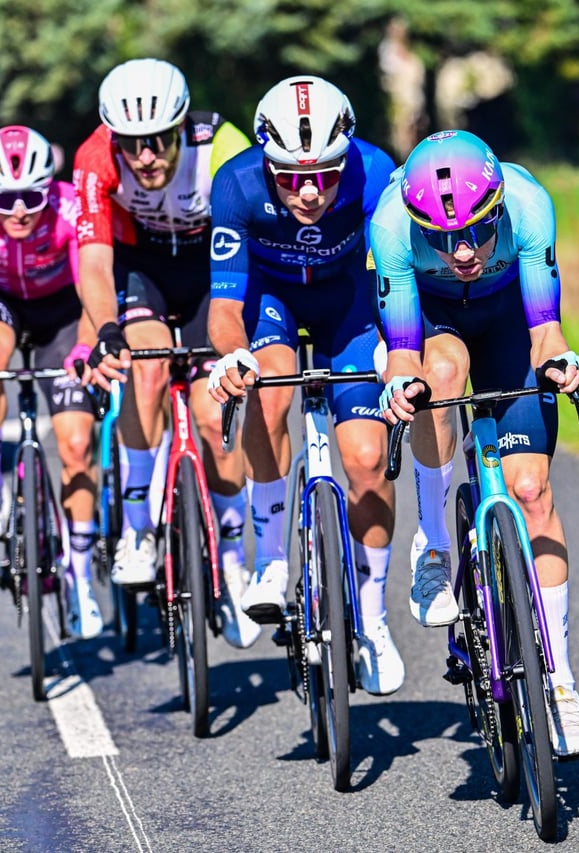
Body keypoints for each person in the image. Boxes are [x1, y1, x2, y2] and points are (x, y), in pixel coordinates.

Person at [370, 129, 579, 754]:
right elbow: (402, 351)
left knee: (532, 491)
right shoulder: (390, 225)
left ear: (497, 208)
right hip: (434, 325)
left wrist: (562, 365)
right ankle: (436, 549)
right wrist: (399, 386)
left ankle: (561, 688)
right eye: (441, 239)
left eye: (476, 231)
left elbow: (545, 331)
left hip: (506, 324)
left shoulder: (528, 205)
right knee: (435, 379)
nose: (463, 251)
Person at [205, 75, 403, 693]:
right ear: (268, 160)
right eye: (291, 175)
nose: (311, 192)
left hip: (349, 301)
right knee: (267, 396)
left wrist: (399, 351)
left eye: (325, 174)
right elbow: (223, 305)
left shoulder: (374, 171)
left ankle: (372, 620)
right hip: (273, 301)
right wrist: (232, 356)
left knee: (367, 459)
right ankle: (269, 558)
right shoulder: (235, 183)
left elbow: (394, 280)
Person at [73, 58, 260, 648]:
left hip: (211, 271)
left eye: (158, 141)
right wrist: (105, 329)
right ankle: (137, 531)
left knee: (213, 411)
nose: (146, 157)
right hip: (142, 272)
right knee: (146, 373)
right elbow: (95, 262)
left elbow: (254, 241)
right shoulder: (94, 158)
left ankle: (233, 557)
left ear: (182, 127)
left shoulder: (224, 145)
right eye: (131, 145)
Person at [0, 125, 103, 640]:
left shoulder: (72, 206)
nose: (18, 211)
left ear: (49, 188)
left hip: (61, 310)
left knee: (77, 445)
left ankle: (79, 578)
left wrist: (85, 347)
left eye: (31, 198)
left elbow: (92, 288)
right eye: (5, 199)